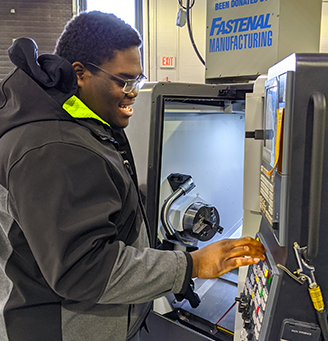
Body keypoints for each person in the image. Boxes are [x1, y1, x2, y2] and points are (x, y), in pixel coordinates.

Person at [0, 11, 266, 341]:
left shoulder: (84, 123)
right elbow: (85, 270)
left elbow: (91, 203)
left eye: (138, 80)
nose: (134, 92)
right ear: (80, 74)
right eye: (124, 81)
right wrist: (191, 266)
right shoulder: (54, 146)